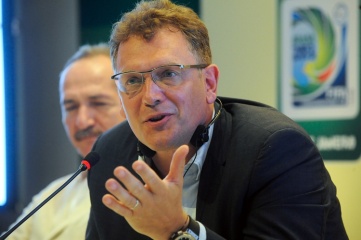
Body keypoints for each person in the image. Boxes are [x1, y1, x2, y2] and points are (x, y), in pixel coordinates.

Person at [85, 1, 348, 239]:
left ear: (209, 83)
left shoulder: (277, 151)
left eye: (168, 74)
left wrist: (177, 230)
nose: (150, 96)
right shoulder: (108, 155)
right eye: (132, 80)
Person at [4, 43, 126, 239]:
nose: (82, 121)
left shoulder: (154, 189)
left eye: (98, 103)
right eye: (71, 107)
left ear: (129, 104)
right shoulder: (53, 195)